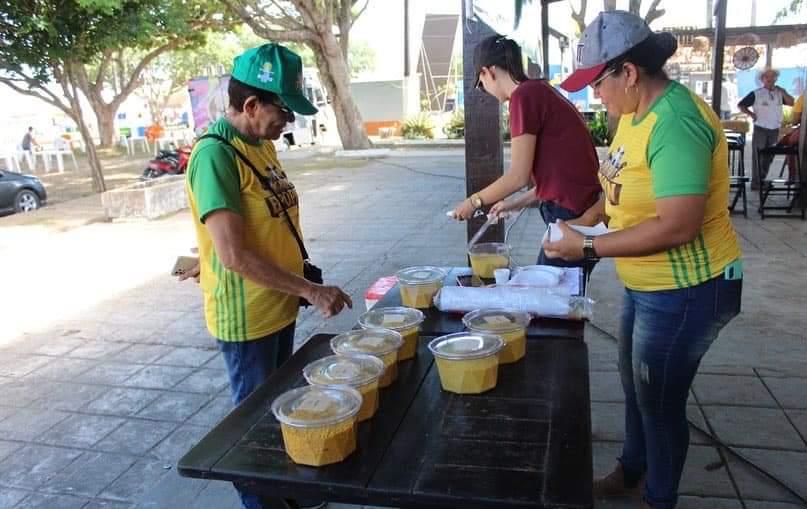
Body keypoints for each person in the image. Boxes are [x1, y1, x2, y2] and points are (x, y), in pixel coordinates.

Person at [550, 11, 743, 509]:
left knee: (658, 402)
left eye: (598, 83)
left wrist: (588, 247)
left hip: (689, 289)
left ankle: (657, 498)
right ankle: (632, 470)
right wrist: (583, 221)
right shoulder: (633, 117)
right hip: (649, 285)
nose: (596, 95)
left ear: (629, 73)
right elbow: (616, 194)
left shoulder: (675, 122)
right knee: (635, 382)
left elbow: (677, 224)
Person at [184, 43, 352, 509]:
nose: (290, 122)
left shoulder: (261, 145)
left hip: (277, 307)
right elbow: (235, 255)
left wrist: (205, 256)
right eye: (285, 110)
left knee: (281, 412)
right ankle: (260, 504)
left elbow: (249, 228)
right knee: (255, 427)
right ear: (252, 105)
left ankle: (285, 496)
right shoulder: (216, 155)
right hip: (247, 319)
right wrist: (311, 290)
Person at [451, 34, 602, 269]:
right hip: (579, 208)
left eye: (481, 85)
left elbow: (518, 176)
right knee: (564, 295)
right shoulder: (539, 90)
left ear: (488, 72)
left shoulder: (523, 97)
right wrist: (513, 203)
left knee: (551, 295)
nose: (486, 91)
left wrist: (473, 201)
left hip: (573, 216)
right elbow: (555, 181)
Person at [738, 68, 794, 189]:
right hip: (761, 127)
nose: (770, 79)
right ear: (762, 79)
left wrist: (783, 91)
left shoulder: (779, 93)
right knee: (758, 155)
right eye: (767, 77)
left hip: (774, 128)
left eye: (773, 77)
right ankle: (756, 182)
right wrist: (751, 114)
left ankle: (762, 179)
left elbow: (791, 102)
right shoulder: (757, 93)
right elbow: (741, 105)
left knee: (770, 155)